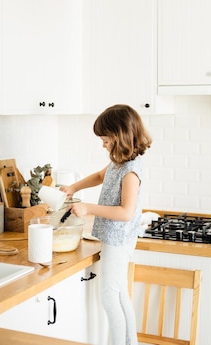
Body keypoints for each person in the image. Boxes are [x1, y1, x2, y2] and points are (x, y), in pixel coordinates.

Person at [60, 104, 152, 345]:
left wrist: (88, 207)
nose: (102, 144)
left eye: (105, 139)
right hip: (116, 237)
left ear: (120, 136)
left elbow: (125, 212)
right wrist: (74, 188)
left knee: (110, 298)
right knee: (120, 294)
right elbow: (100, 177)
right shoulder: (119, 162)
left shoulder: (131, 171)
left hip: (118, 239)